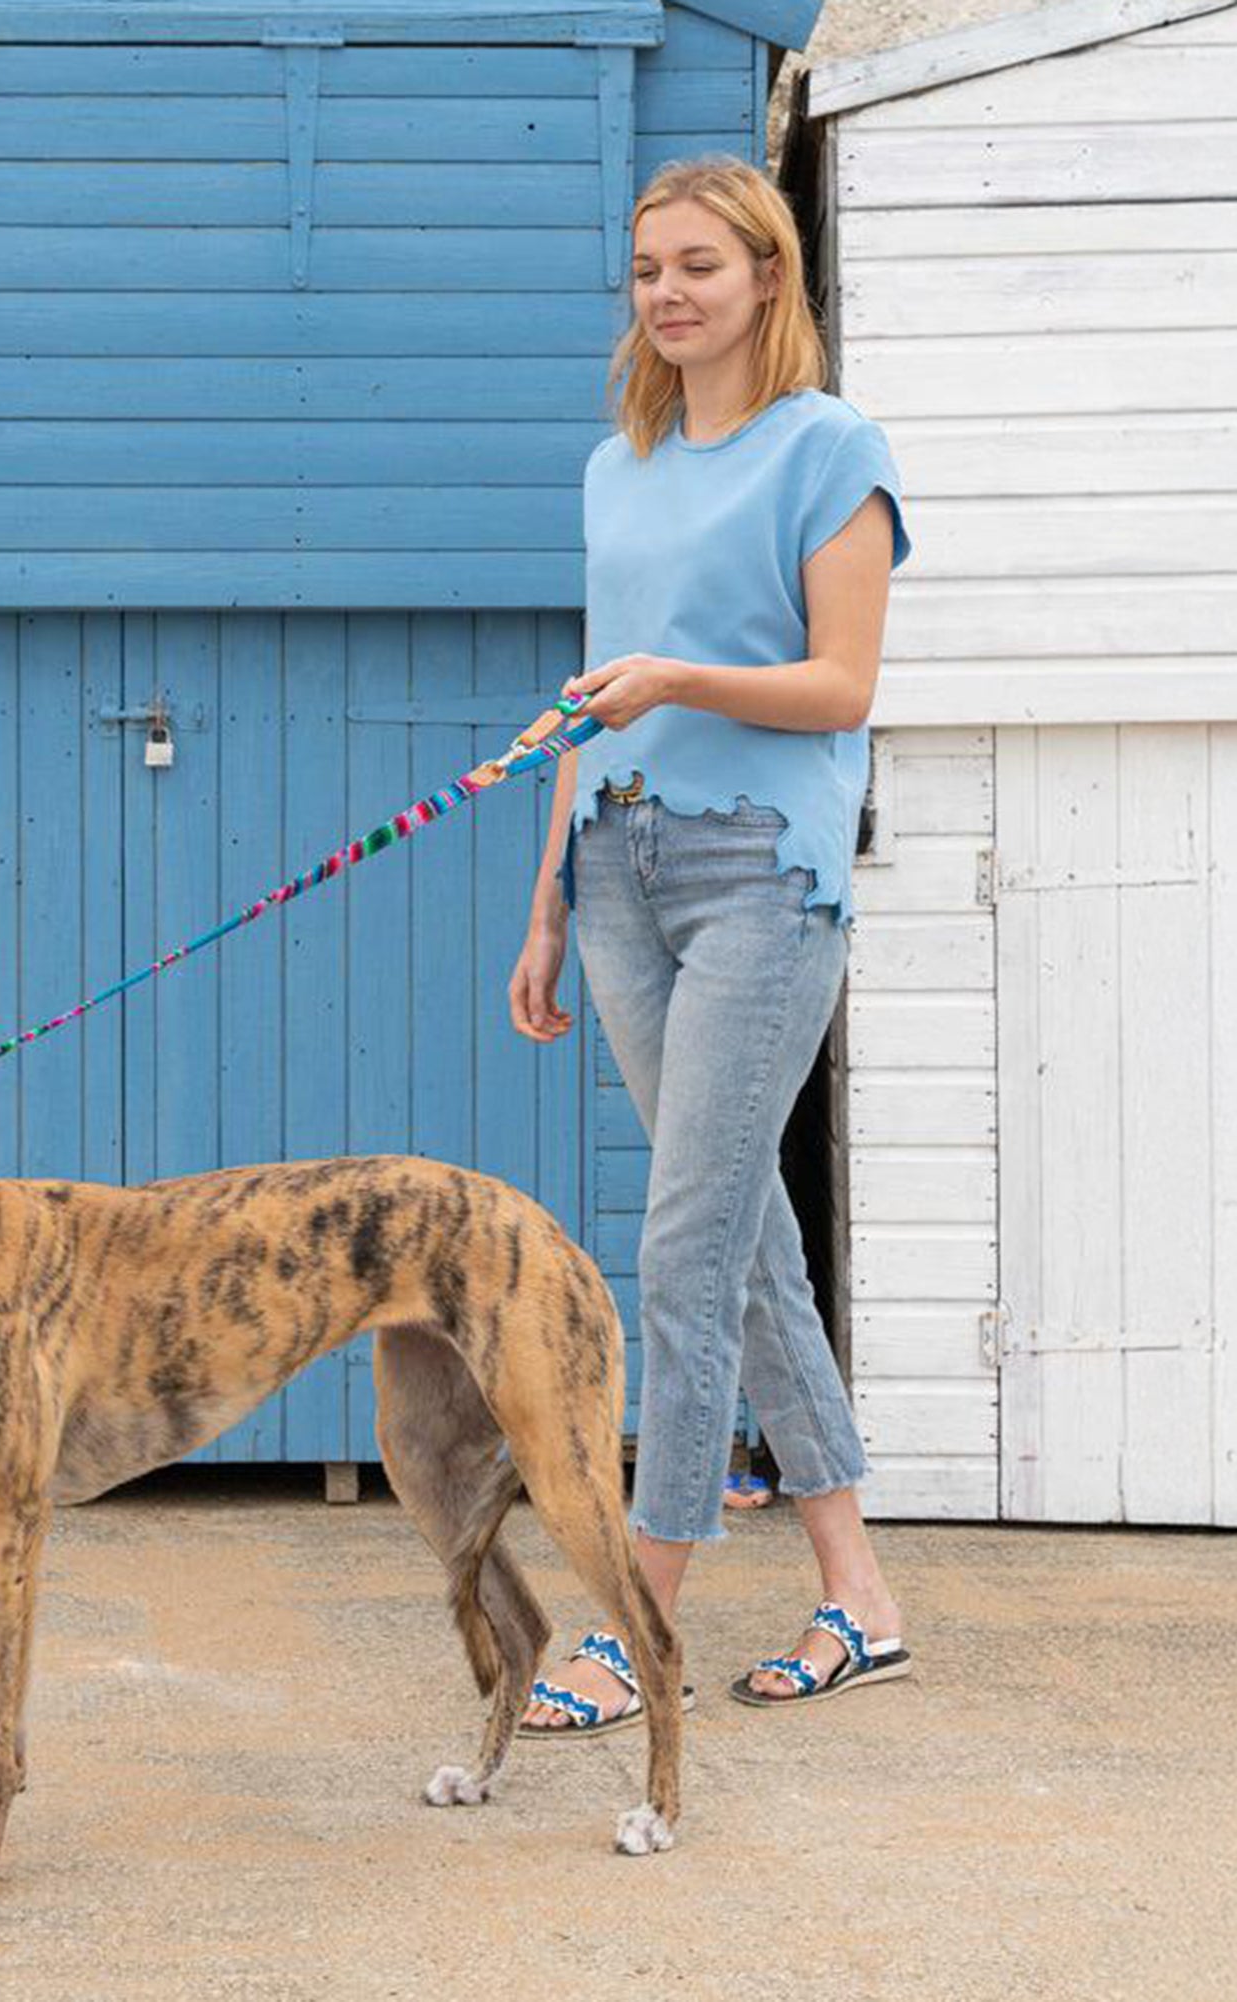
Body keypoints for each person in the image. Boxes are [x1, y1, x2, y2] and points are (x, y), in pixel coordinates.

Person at [509, 156, 914, 1731]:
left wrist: (676, 676)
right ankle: (858, 1595)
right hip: (618, 868)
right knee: (741, 1240)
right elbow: (588, 700)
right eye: (644, 271)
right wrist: (547, 894)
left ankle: (638, 1618)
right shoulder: (621, 464)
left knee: (682, 1248)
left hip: (762, 874)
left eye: (696, 265)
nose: (667, 293)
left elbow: (843, 686)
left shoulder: (832, 452)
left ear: (765, 274)